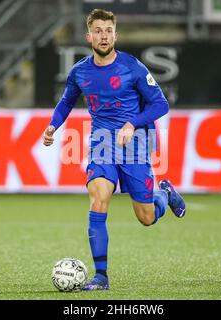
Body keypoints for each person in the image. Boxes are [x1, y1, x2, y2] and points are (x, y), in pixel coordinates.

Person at [43, 9, 186, 291]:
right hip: (102, 145)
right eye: (98, 30)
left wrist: (132, 123)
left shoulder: (132, 67)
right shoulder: (80, 71)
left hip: (135, 146)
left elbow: (161, 105)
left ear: (115, 35)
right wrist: (52, 126)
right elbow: (66, 102)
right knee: (98, 199)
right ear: (89, 36)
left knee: (145, 218)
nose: (104, 36)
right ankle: (101, 277)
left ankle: (164, 194)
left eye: (108, 30)